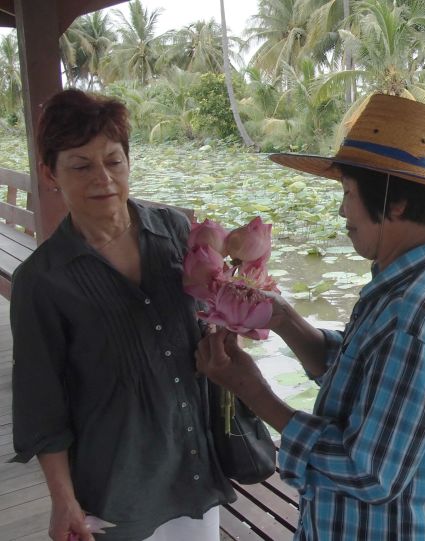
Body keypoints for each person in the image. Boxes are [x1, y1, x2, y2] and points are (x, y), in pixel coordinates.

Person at [196, 93, 425, 540]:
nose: (343, 210)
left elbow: (367, 472)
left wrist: (251, 390)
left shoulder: (414, 316)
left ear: (394, 204)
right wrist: (282, 318)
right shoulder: (420, 278)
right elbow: (365, 375)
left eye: (349, 193)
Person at [11, 89, 235, 541]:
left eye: (114, 162)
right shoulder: (41, 281)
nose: (103, 179)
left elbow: (212, 320)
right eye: (81, 165)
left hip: (192, 465)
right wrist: (63, 500)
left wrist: (236, 311)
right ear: (49, 173)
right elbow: (41, 406)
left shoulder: (173, 231)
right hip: (118, 490)